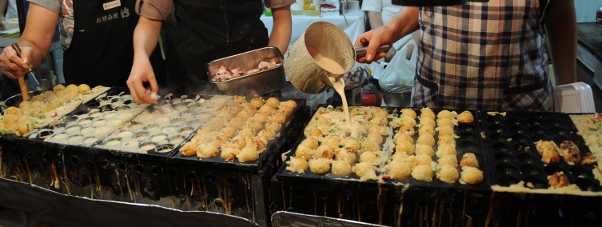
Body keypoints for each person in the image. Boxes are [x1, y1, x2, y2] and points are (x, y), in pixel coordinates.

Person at [356, 0, 577, 111]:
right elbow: (421, 5)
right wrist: (391, 29)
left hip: (520, 106)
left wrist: (571, 93)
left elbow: (559, 15)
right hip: (437, 102)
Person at [127, 0, 293, 104]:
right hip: (191, 69)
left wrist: (266, 69)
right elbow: (150, 21)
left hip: (252, 67)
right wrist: (140, 57)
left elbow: (282, 18)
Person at [0, 0, 166, 89]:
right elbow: (35, 41)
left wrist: (141, 54)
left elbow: (152, 19)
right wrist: (23, 53)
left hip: (149, 88)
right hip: (86, 99)